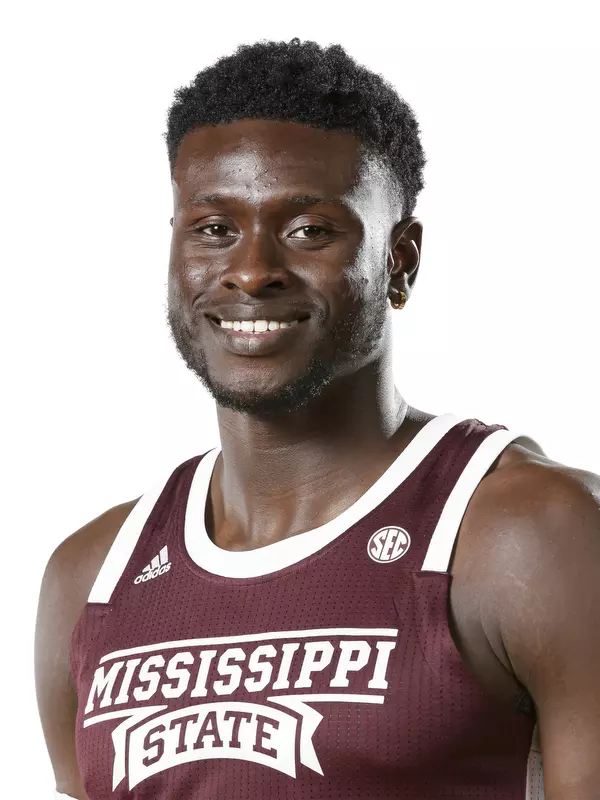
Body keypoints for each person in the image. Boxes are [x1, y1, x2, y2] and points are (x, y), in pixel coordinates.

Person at [35, 38, 600, 800]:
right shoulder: (91, 577)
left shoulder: (532, 536)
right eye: (213, 229)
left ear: (401, 261)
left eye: (309, 231)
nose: (251, 271)